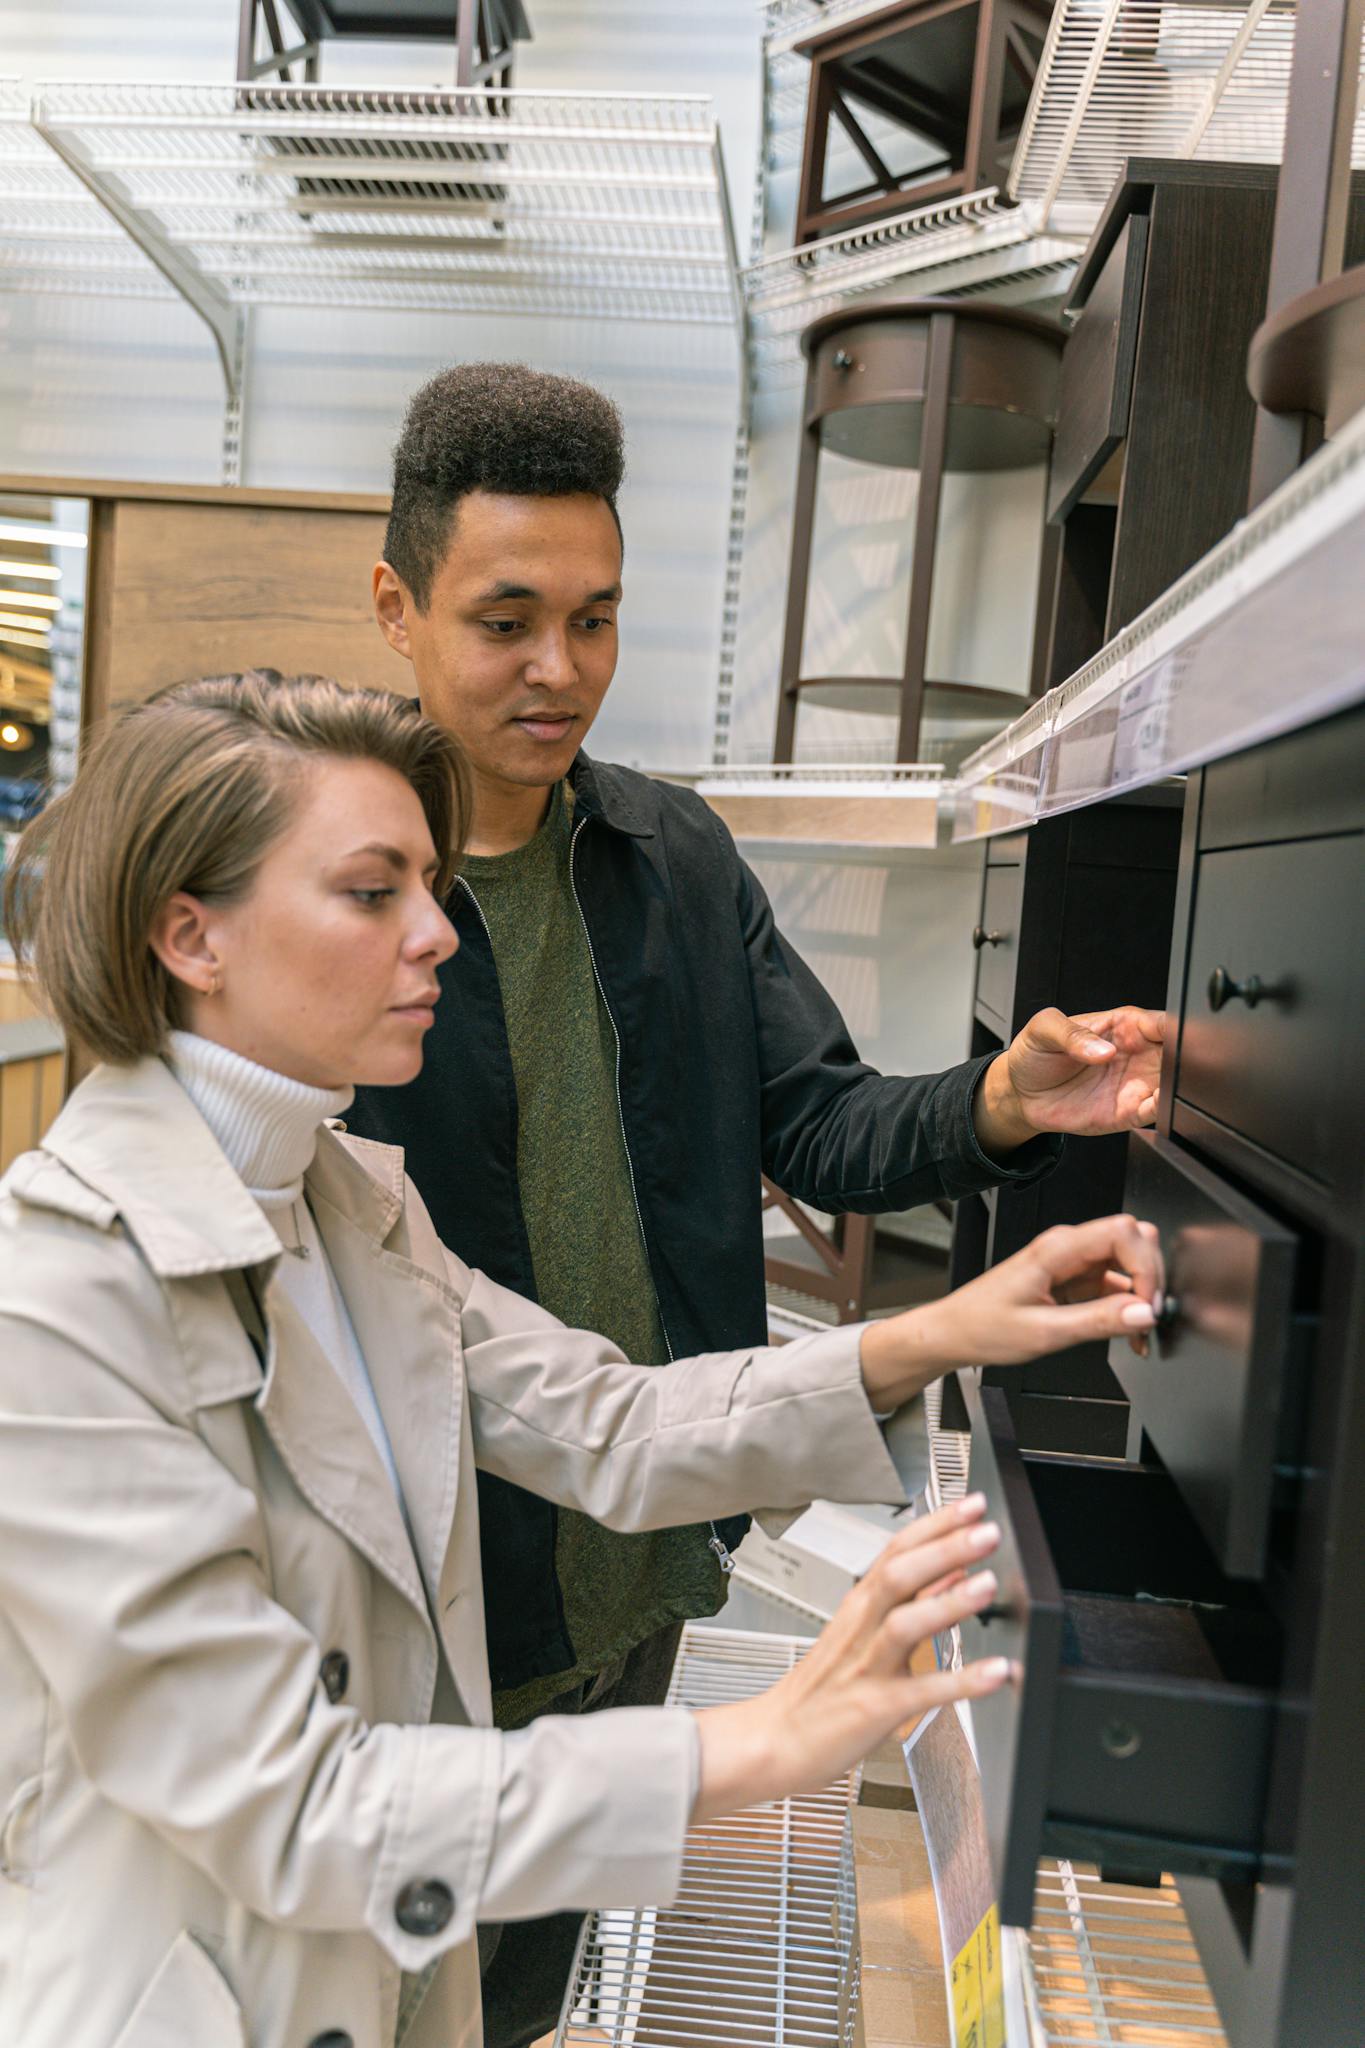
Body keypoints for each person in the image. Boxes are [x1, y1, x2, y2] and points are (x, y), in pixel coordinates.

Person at [0, 673, 1161, 2048]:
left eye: (430, 886)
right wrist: (754, 1744)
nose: (437, 932)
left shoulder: (347, 1202)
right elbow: (291, 1804)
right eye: (374, 893)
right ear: (190, 935)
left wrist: (948, 1329)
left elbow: (604, 1422)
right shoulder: (57, 1304)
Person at [349, 362, 1169, 2046]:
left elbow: (829, 1127)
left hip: (640, 1550)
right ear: (397, 607)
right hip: (420, 1580)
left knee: (514, 1991)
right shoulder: (343, 898)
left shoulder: (672, 858)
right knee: (372, 1986)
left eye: (594, 618)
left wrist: (1006, 1099)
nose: (557, 669)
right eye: (506, 619)